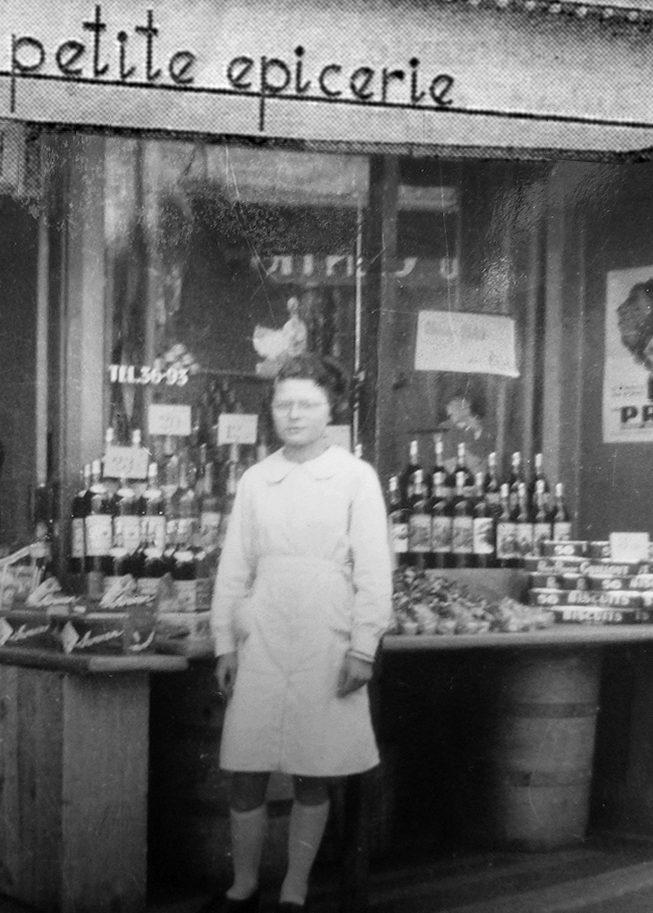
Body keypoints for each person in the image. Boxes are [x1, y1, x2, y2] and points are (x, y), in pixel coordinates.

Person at [205, 354, 393, 912]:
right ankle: (243, 885)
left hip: (326, 633)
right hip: (261, 633)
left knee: (314, 769)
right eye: (283, 403)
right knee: (246, 767)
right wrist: (223, 642)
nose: (293, 414)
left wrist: (364, 646)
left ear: (330, 409)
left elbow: (375, 570)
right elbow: (234, 569)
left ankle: (295, 887)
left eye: (307, 403)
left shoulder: (356, 476)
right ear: (272, 409)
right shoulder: (257, 479)